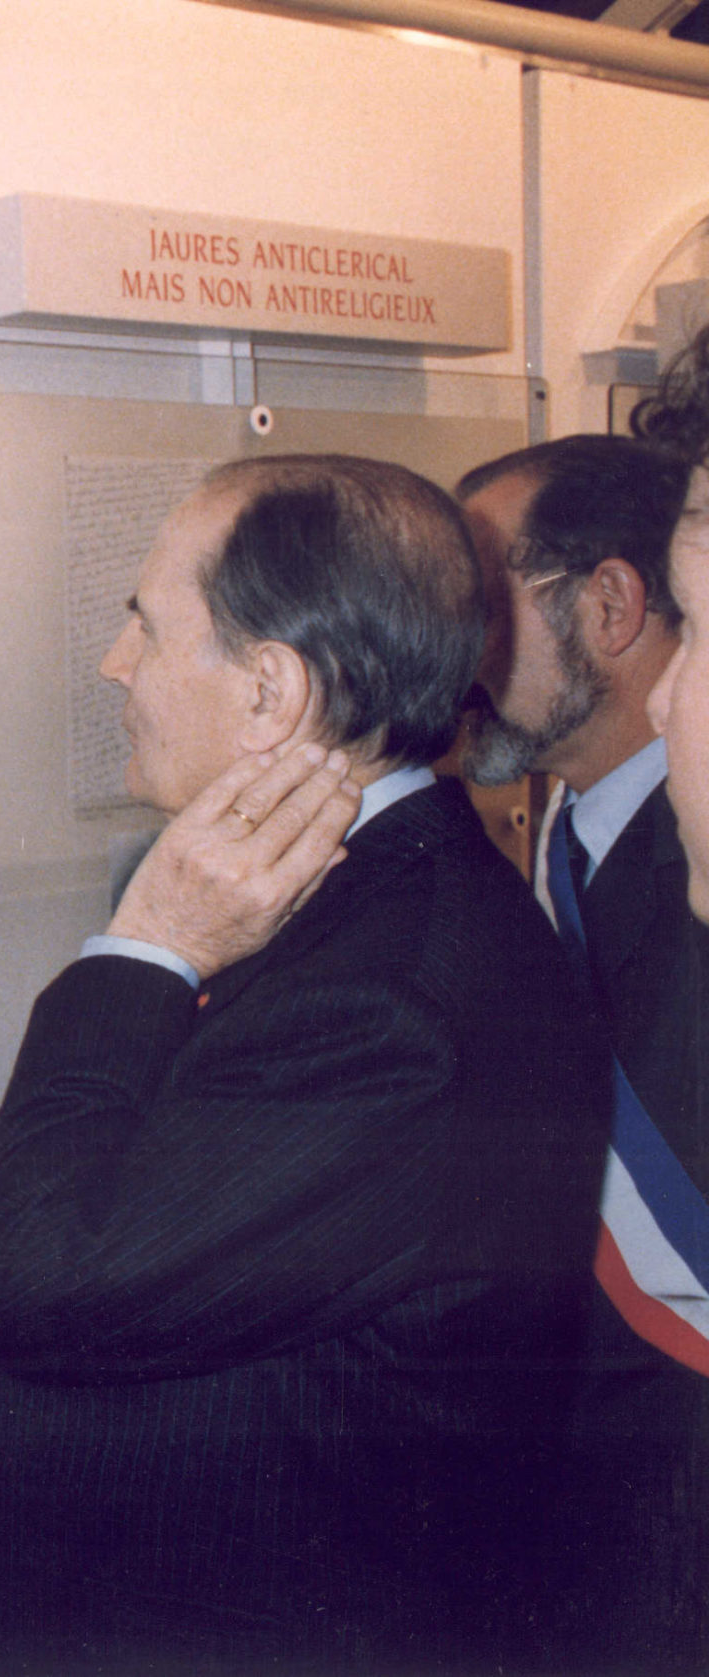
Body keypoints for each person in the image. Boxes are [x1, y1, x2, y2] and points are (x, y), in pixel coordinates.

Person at [0, 455, 611, 1675]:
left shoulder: (388, 1005)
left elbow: (29, 1283)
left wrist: (141, 952)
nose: (115, 664)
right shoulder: (350, 905)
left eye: (144, 625)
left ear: (270, 692)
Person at [453, 434, 707, 1670]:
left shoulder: (694, 849)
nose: (454, 652)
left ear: (608, 606)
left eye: (481, 603)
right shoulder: (564, 818)